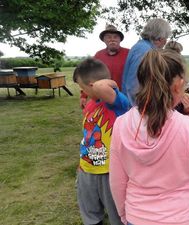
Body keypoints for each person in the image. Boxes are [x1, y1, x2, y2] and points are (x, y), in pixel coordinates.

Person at [109, 49, 189, 225]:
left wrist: (124, 214)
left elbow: (117, 180)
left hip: (136, 217)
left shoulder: (121, 124)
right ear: (178, 85)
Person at [73, 58, 130, 225]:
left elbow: (100, 88)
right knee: (89, 213)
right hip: (87, 168)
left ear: (92, 85)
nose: (82, 92)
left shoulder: (117, 102)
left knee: (116, 216)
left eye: (82, 88)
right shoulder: (91, 104)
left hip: (109, 172)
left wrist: (105, 84)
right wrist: (82, 163)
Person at [121, 18, 172, 105]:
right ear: (159, 38)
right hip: (136, 109)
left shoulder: (142, 47)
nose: (165, 42)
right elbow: (133, 85)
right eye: (165, 38)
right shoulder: (144, 51)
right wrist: (140, 109)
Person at [79, 24, 129, 109]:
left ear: (120, 39)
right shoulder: (98, 55)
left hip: (125, 99)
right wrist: (84, 96)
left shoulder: (129, 53)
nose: (112, 39)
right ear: (104, 40)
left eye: (115, 37)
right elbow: (90, 76)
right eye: (108, 37)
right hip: (103, 98)